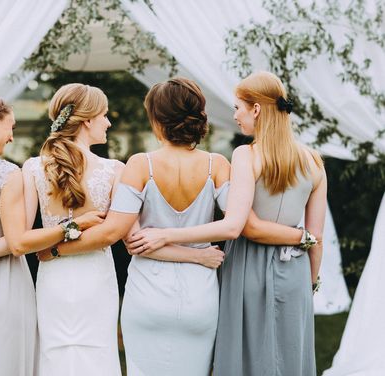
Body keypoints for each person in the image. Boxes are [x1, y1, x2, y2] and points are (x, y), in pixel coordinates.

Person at [46, 77, 307, 375]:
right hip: (201, 296)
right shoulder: (218, 165)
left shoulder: (140, 165)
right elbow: (236, 224)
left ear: (157, 121)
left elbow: (128, 239)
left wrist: (55, 247)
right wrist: (199, 254)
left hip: (147, 295)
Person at [131, 72, 326, 376]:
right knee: (291, 357)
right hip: (296, 270)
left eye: (238, 108)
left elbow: (245, 226)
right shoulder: (314, 161)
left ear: (256, 109)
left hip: (249, 265)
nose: (235, 116)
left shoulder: (246, 155)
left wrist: (166, 234)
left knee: (246, 356)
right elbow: (317, 237)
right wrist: (310, 281)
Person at [0, 84, 121, 376]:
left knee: (53, 357)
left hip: (54, 280)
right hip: (96, 278)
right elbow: (112, 234)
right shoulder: (115, 170)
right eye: (104, 114)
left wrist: (49, 250)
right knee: (98, 355)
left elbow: (19, 239)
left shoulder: (33, 167)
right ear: (87, 120)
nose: (108, 122)